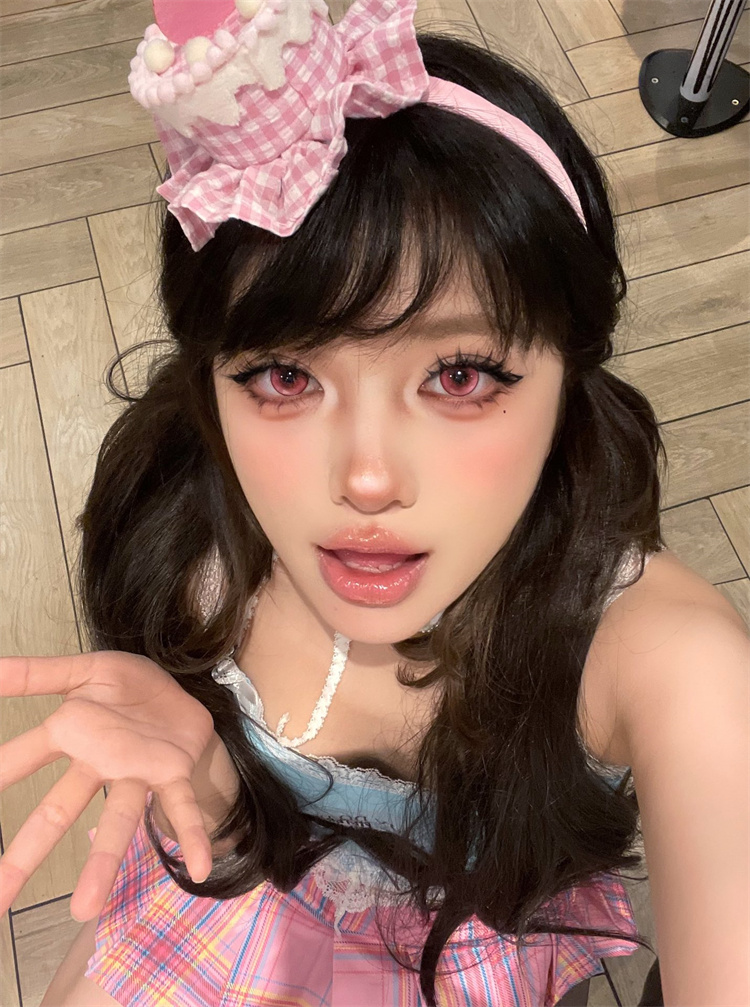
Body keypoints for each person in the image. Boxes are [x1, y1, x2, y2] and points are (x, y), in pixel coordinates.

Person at [0, 0, 748, 1005]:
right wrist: (210, 784)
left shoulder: (658, 656)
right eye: (284, 376)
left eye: (460, 375)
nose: (365, 478)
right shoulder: (189, 525)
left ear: (568, 374)